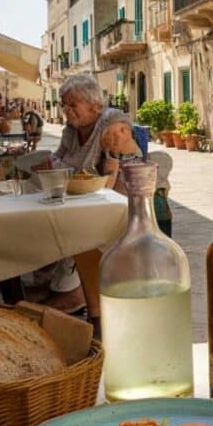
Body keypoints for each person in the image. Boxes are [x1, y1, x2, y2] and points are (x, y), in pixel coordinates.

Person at [36, 73, 142, 318]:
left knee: (75, 228)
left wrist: (60, 167)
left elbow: (104, 175)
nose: (66, 110)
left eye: (72, 105)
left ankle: (79, 295)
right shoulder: (71, 130)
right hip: (81, 196)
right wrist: (58, 166)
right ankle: (64, 288)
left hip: (115, 200)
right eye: (64, 104)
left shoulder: (111, 124)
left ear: (95, 105)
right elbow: (59, 159)